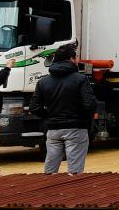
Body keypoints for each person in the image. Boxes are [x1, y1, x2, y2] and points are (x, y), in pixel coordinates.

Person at [31, 44, 97, 174]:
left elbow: (34, 107)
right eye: (76, 57)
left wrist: (50, 116)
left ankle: (48, 190)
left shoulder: (43, 82)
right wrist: (82, 118)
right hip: (76, 129)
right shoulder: (81, 79)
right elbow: (90, 104)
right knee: (74, 173)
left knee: (50, 171)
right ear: (72, 59)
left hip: (53, 129)